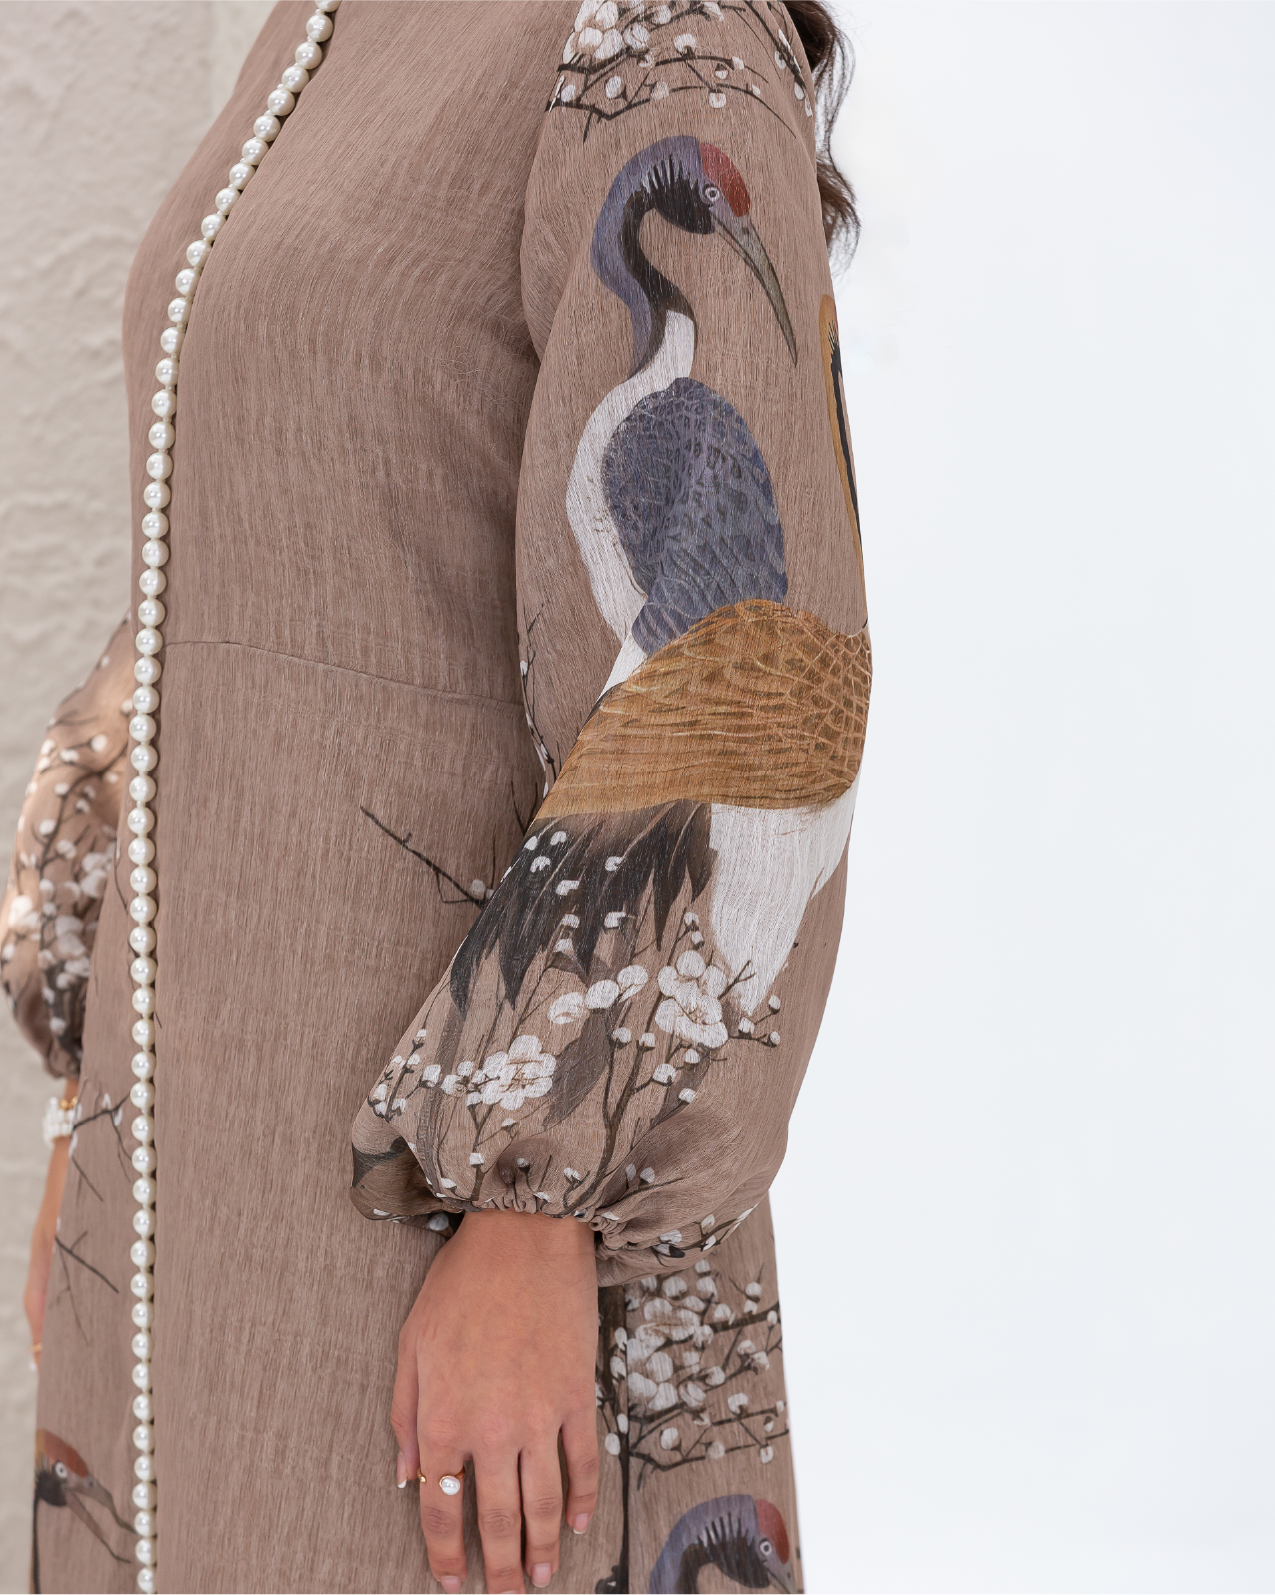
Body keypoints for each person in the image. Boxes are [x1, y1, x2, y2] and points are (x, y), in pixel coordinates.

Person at [3, 0, 870, 1590]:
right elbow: (213, 581)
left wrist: (540, 1205)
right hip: (203, 1167)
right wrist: (97, 1075)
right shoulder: (325, 24)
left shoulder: (648, 36)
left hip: (448, 1232)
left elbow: (728, 671)